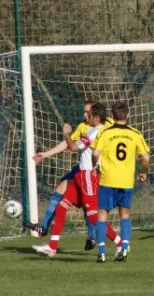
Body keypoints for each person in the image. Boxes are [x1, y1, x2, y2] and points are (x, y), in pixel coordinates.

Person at [32, 103, 124, 256]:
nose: (86, 116)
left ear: (96, 117)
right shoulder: (101, 129)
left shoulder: (96, 131)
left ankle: (120, 244)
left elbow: (74, 147)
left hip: (88, 176)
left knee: (93, 216)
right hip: (80, 176)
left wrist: (67, 133)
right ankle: (52, 247)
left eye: (89, 114)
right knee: (61, 207)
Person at [91, 101, 150, 263]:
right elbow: (145, 157)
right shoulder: (135, 133)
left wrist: (94, 165)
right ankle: (124, 248)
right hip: (126, 181)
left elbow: (95, 152)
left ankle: (102, 252)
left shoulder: (105, 133)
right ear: (128, 115)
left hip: (108, 179)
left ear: (111, 116)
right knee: (125, 215)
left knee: (102, 214)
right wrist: (143, 172)